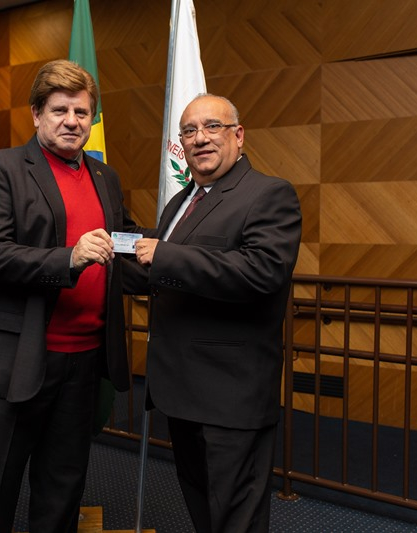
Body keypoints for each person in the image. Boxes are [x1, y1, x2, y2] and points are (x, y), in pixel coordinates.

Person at [0, 59, 141, 533]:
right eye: (60, 110)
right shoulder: (0, 168)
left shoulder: (106, 177)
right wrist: (69, 258)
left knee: (63, 483)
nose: (72, 121)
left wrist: (176, 253)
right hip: (17, 357)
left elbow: (125, 242)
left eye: (82, 112)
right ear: (37, 114)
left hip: (84, 359)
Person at [133, 94, 302, 533]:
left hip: (231, 395)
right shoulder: (181, 202)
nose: (200, 138)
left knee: (236, 518)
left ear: (238, 135)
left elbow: (262, 272)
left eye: (213, 127)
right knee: (203, 509)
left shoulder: (268, 194)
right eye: (189, 131)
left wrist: (165, 255)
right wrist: (104, 252)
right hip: (181, 390)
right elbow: (162, 272)